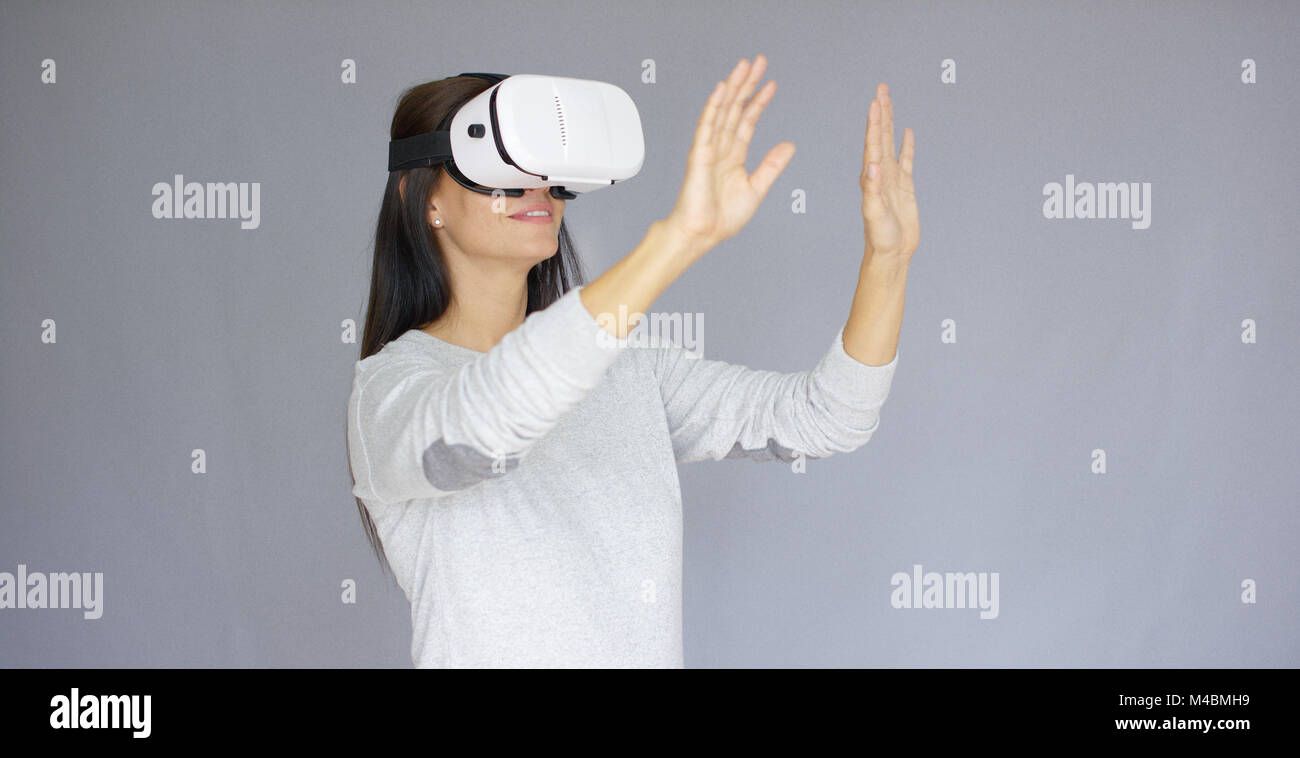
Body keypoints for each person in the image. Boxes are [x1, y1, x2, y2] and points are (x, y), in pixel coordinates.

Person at [346, 54, 919, 667]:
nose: (535, 186)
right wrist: (679, 239)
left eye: (547, 165)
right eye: (501, 167)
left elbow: (827, 417)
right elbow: (491, 425)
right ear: (421, 195)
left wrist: (888, 259)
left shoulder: (629, 372)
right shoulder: (392, 396)